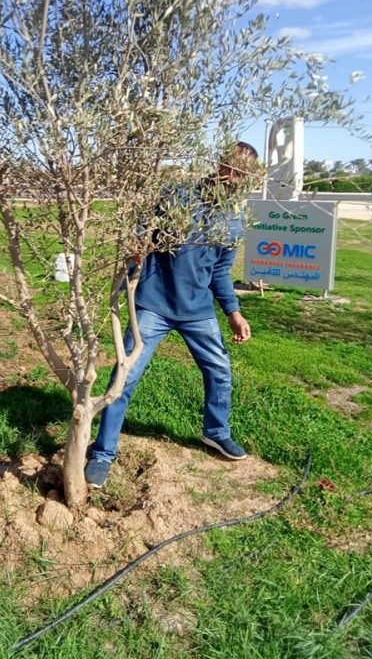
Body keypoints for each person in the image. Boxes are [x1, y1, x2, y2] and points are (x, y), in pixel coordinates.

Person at [85, 142, 260, 488]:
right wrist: (135, 249)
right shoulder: (177, 196)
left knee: (220, 371)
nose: (232, 176)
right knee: (125, 377)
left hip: (197, 311)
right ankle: (102, 453)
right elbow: (140, 232)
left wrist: (234, 313)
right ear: (220, 164)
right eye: (230, 167)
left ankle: (216, 432)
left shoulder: (233, 220)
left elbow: (221, 273)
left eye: (241, 173)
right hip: (153, 304)